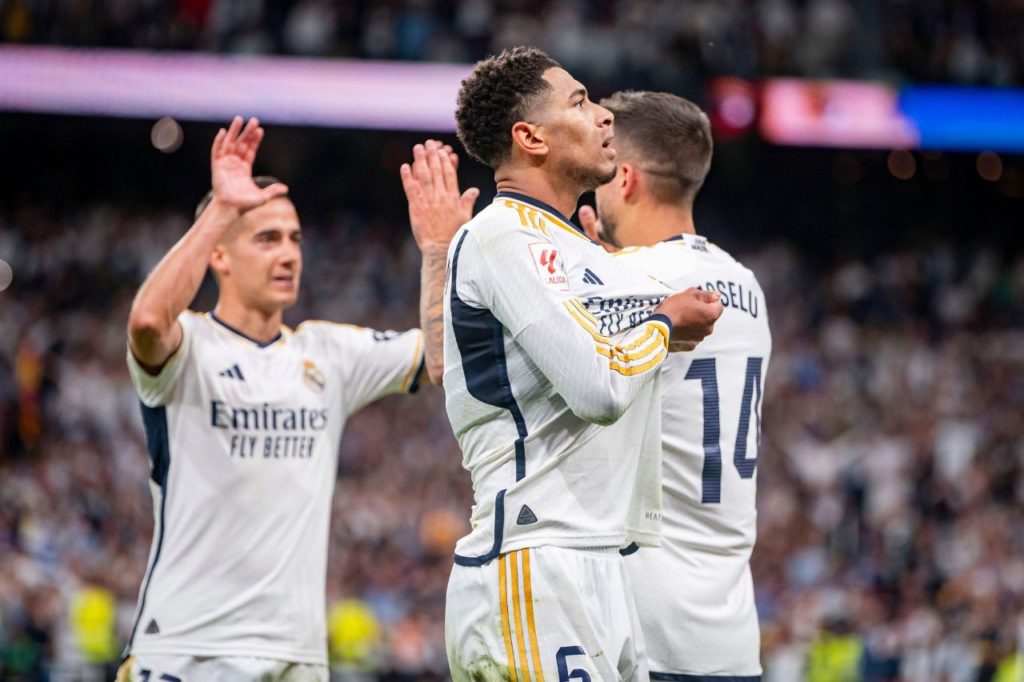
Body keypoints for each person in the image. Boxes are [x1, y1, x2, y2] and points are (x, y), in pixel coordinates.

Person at [402, 47, 724, 681]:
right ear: (530, 137)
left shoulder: (580, 252)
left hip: (597, 563)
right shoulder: (501, 235)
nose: (604, 116)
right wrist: (661, 323)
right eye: (579, 102)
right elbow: (598, 388)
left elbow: (450, 367)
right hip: (535, 562)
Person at [118, 117, 426, 682]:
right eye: (267, 239)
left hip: (296, 655)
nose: (288, 254)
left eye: (294, 239)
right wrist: (221, 210)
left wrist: (440, 252)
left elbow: (447, 357)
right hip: (188, 649)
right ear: (220, 255)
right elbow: (145, 322)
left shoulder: (329, 354)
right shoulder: (190, 348)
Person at [579, 91, 772, 680]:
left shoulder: (625, 283)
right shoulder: (748, 287)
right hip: (732, 638)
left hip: (646, 629)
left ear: (627, 178)